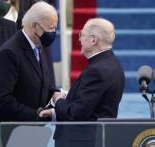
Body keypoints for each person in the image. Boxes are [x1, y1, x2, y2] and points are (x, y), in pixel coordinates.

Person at [39, 18, 125, 147]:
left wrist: (58, 101)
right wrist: (54, 112)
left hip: (83, 141)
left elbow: (76, 114)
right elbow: (90, 105)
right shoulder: (113, 63)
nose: (79, 39)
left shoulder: (97, 70)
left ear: (93, 40)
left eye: (82, 35)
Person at [0, 1, 59, 121]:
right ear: (35, 26)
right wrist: (36, 115)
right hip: (14, 131)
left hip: (34, 130)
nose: (53, 32)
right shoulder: (9, 52)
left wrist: (54, 94)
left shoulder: (38, 47)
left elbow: (40, 83)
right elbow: (3, 100)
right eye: (50, 28)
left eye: (55, 28)